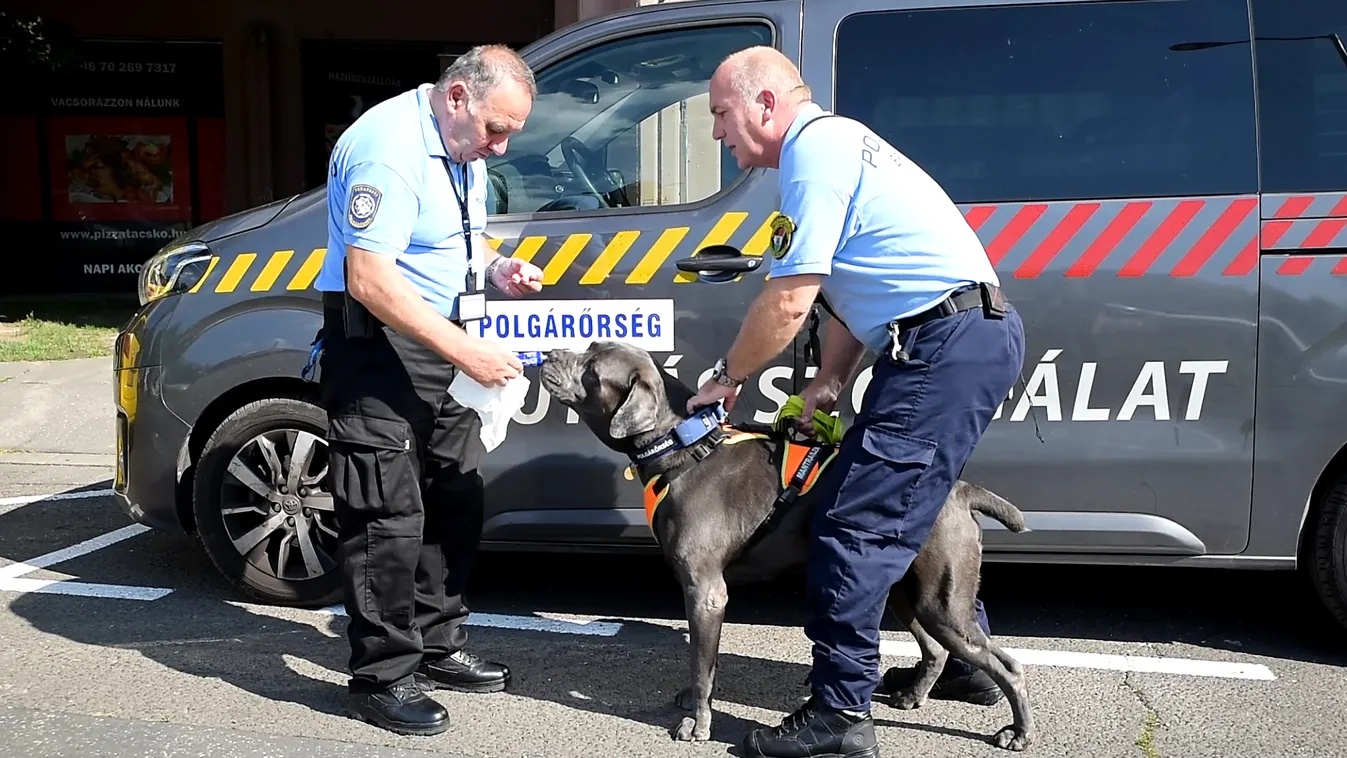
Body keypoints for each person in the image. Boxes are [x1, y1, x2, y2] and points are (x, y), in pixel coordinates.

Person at [688, 46, 1026, 757]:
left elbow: (789, 302)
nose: (716, 132)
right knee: (878, 505)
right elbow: (848, 285)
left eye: (720, 113)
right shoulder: (835, 146)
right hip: (952, 339)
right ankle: (967, 663)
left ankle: (838, 716)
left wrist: (726, 376)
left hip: (943, 345)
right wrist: (828, 382)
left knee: (853, 528)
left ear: (765, 104)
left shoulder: (813, 155)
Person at [313, 44, 544, 737]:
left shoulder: (461, 144)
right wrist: (465, 351)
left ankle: (436, 642)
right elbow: (370, 279)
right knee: (385, 513)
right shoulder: (389, 149)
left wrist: (498, 269)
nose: (500, 147)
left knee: (453, 496)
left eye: (510, 133)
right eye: (496, 129)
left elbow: (449, 242)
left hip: (440, 335)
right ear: (457, 96)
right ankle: (382, 675)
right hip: (380, 345)